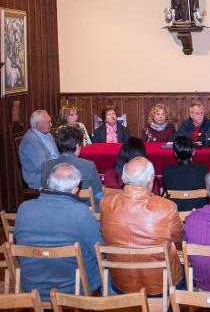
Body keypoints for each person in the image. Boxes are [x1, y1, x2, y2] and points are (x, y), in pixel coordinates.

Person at [14, 163, 102, 300]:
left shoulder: (24, 209)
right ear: (75, 190)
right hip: (75, 289)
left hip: (32, 288)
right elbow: (99, 251)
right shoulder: (81, 213)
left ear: (49, 183)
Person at [99, 157, 184, 295]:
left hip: (121, 283)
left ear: (123, 178)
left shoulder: (105, 203)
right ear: (151, 179)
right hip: (162, 285)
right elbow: (180, 237)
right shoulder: (167, 207)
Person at [40, 126, 103, 208]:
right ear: (78, 145)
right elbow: (98, 194)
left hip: (51, 209)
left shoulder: (45, 165)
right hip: (82, 209)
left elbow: (44, 193)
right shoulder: (89, 165)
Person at [162, 136, 209, 211]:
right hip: (199, 214)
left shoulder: (167, 170)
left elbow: (164, 196)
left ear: (175, 154)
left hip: (175, 215)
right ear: (193, 152)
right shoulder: (203, 170)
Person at [19, 110, 60, 189]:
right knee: (72, 181)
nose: (51, 125)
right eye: (48, 122)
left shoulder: (47, 135)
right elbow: (43, 166)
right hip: (39, 178)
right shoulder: (31, 141)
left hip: (53, 173)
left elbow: (58, 155)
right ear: (39, 125)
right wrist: (63, 167)